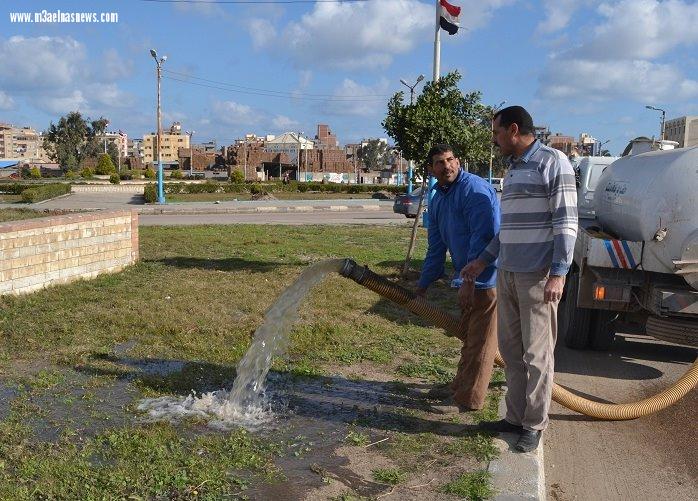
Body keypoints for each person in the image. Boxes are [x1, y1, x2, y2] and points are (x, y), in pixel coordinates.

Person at [461, 106, 578, 452]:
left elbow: (566, 222)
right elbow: (507, 230)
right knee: (512, 352)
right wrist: (482, 261)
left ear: (514, 130)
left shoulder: (552, 162)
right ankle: (513, 417)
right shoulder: (511, 171)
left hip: (538, 277)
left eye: (496, 133)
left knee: (537, 355)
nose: (494, 140)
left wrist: (558, 273)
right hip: (508, 273)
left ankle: (534, 424)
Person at [416, 144, 500, 411]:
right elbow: (436, 245)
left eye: (451, 160)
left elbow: (485, 239)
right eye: (440, 162)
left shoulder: (473, 190)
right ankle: (459, 389)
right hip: (466, 279)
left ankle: (468, 400)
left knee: (481, 342)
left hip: (487, 278)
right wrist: (422, 285)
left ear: (459, 161)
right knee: (469, 337)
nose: (447, 166)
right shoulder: (438, 196)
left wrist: (469, 282)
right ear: (431, 169)